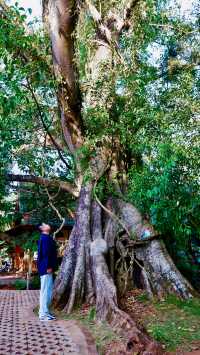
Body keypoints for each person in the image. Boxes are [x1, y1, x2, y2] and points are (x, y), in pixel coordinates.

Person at [37, 223, 58, 321]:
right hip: (46, 268)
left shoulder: (46, 237)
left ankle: (46, 312)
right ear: (42, 228)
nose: (47, 224)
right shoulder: (44, 238)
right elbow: (45, 254)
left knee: (48, 291)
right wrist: (48, 266)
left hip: (47, 268)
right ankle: (43, 315)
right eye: (45, 224)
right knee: (45, 292)